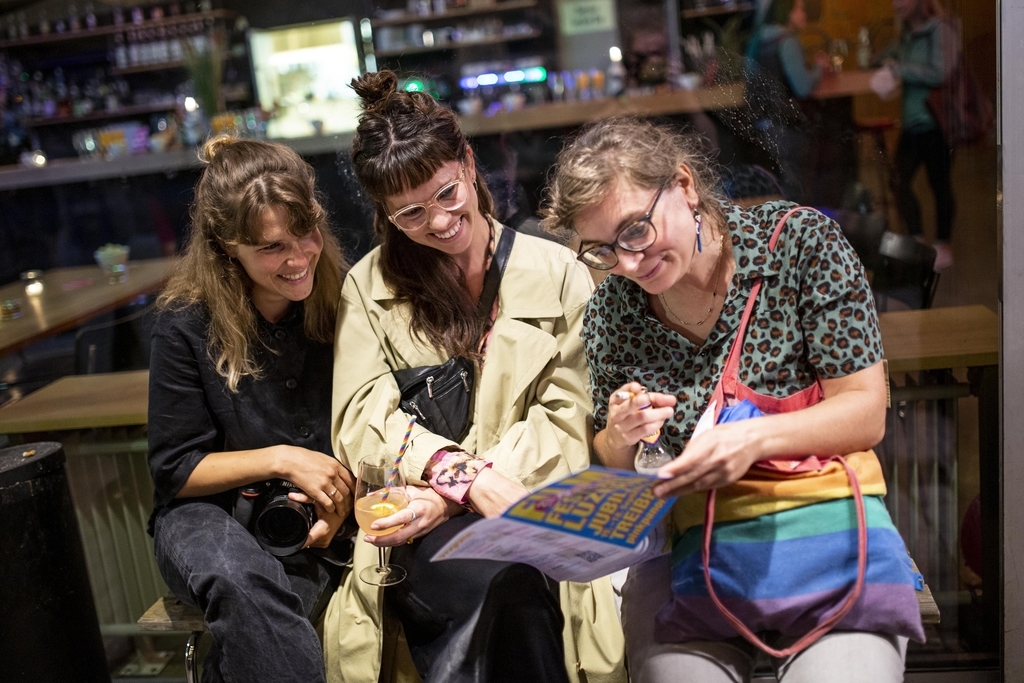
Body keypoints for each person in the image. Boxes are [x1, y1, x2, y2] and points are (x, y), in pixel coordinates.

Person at [540, 117, 921, 683]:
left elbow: (865, 411)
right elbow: (615, 466)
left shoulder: (797, 245)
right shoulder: (612, 312)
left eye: (636, 232)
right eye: (600, 251)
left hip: (821, 534)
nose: (626, 264)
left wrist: (752, 436)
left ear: (686, 186)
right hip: (695, 552)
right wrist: (619, 438)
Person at [323, 70, 626, 683]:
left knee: (516, 583)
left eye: (446, 193)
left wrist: (455, 494)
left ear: (467, 163)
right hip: (415, 534)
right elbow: (361, 418)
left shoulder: (558, 271)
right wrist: (455, 479)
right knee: (495, 590)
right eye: (409, 212)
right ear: (382, 212)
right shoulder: (369, 287)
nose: (437, 222)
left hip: (532, 508)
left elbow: (567, 418)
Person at [147, 136, 353, 683]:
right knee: (241, 582)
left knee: (271, 618)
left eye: (305, 233)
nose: (298, 257)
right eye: (271, 248)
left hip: (302, 512)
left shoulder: (343, 300)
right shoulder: (186, 323)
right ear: (226, 248)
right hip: (203, 514)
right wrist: (282, 458)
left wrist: (342, 493)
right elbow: (175, 470)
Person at [886, 0, 958, 270]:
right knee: (898, 180)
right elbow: (892, 57)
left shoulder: (942, 29)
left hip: (936, 122)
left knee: (939, 184)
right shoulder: (904, 34)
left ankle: (942, 244)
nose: (897, 4)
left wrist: (900, 69)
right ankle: (916, 240)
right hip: (911, 123)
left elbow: (941, 72)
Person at [745, 0, 830, 204]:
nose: (804, 13)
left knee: (771, 194)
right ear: (786, 12)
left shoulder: (757, 40)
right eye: (799, 8)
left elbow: (749, 78)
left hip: (760, 130)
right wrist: (819, 68)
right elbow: (802, 87)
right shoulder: (787, 41)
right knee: (797, 194)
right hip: (787, 130)